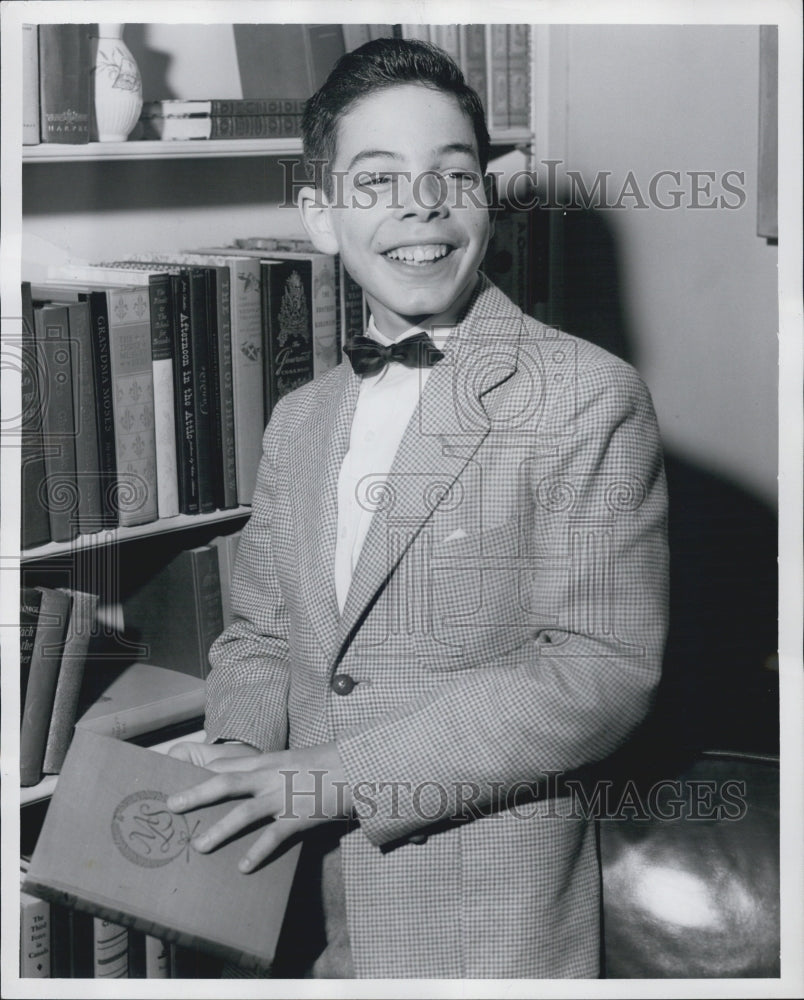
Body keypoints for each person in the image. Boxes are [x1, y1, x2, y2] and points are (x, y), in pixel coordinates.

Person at [167, 37, 669, 979]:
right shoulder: (298, 419)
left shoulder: (587, 395)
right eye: (378, 179)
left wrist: (326, 779)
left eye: (454, 173)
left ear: (486, 198)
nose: (421, 205)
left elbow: (599, 674)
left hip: (488, 932)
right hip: (302, 914)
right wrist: (239, 758)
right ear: (319, 217)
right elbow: (261, 638)